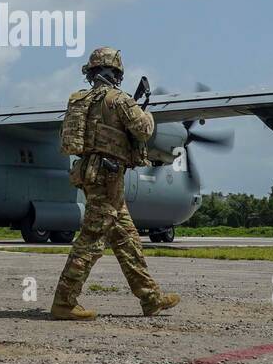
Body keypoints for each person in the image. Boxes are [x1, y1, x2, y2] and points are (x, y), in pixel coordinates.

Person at [51, 46, 181, 320]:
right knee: (91, 240)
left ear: (92, 72)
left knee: (127, 239)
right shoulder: (119, 100)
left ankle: (150, 298)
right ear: (115, 73)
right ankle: (64, 301)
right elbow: (143, 130)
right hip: (108, 177)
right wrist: (149, 115)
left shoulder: (81, 100)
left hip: (90, 173)